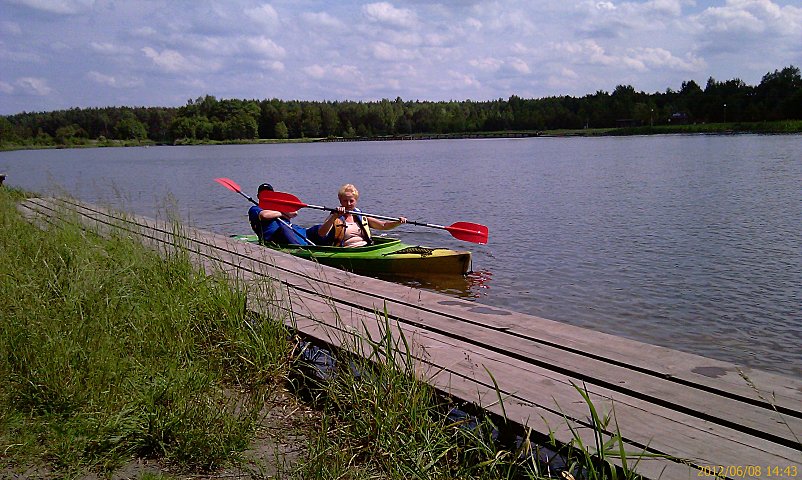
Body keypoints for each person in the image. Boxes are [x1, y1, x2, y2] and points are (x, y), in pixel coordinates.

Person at [315, 184, 406, 247]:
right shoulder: (334, 216)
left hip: (366, 248)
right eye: (345, 201)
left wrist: (398, 222)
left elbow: (383, 225)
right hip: (347, 251)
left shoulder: (360, 215)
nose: (348, 204)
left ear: (356, 201)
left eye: (351, 201)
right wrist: (334, 216)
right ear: (340, 201)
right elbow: (321, 233)